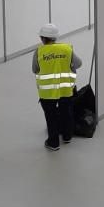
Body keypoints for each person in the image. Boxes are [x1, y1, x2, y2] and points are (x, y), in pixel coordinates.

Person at [32, 23, 80, 151]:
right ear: (55, 38)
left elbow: (35, 69)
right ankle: (67, 136)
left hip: (47, 93)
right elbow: (78, 63)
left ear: (42, 38)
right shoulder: (67, 49)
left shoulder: (39, 51)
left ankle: (53, 143)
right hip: (65, 89)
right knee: (66, 113)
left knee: (51, 116)